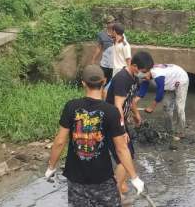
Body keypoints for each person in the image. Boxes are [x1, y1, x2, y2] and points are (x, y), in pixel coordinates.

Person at [45, 65, 145, 206]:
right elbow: (121, 148)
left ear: (83, 83)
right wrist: (134, 177)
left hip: (75, 179)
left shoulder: (71, 106)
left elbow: (60, 141)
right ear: (104, 82)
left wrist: (51, 167)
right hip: (102, 178)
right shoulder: (111, 111)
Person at [106, 51, 154, 194]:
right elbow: (118, 105)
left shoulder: (134, 78)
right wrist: (121, 131)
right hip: (112, 121)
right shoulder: (122, 79)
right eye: (144, 71)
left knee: (128, 154)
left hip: (120, 120)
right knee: (124, 157)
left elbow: (131, 99)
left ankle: (120, 184)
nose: (145, 74)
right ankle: (116, 190)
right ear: (134, 66)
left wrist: (136, 115)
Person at [136, 63, 190, 140]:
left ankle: (181, 132)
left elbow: (160, 93)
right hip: (169, 81)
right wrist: (136, 99)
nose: (145, 79)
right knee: (166, 107)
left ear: (147, 72)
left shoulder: (157, 75)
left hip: (181, 79)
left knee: (179, 107)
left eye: (145, 77)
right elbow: (144, 85)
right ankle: (169, 131)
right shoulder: (146, 71)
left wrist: (152, 107)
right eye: (143, 78)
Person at [91, 15, 117, 82]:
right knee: (103, 81)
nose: (112, 24)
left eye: (113, 22)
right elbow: (99, 47)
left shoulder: (118, 32)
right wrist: (93, 59)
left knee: (113, 82)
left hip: (116, 64)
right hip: (105, 63)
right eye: (111, 22)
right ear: (107, 24)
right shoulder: (101, 34)